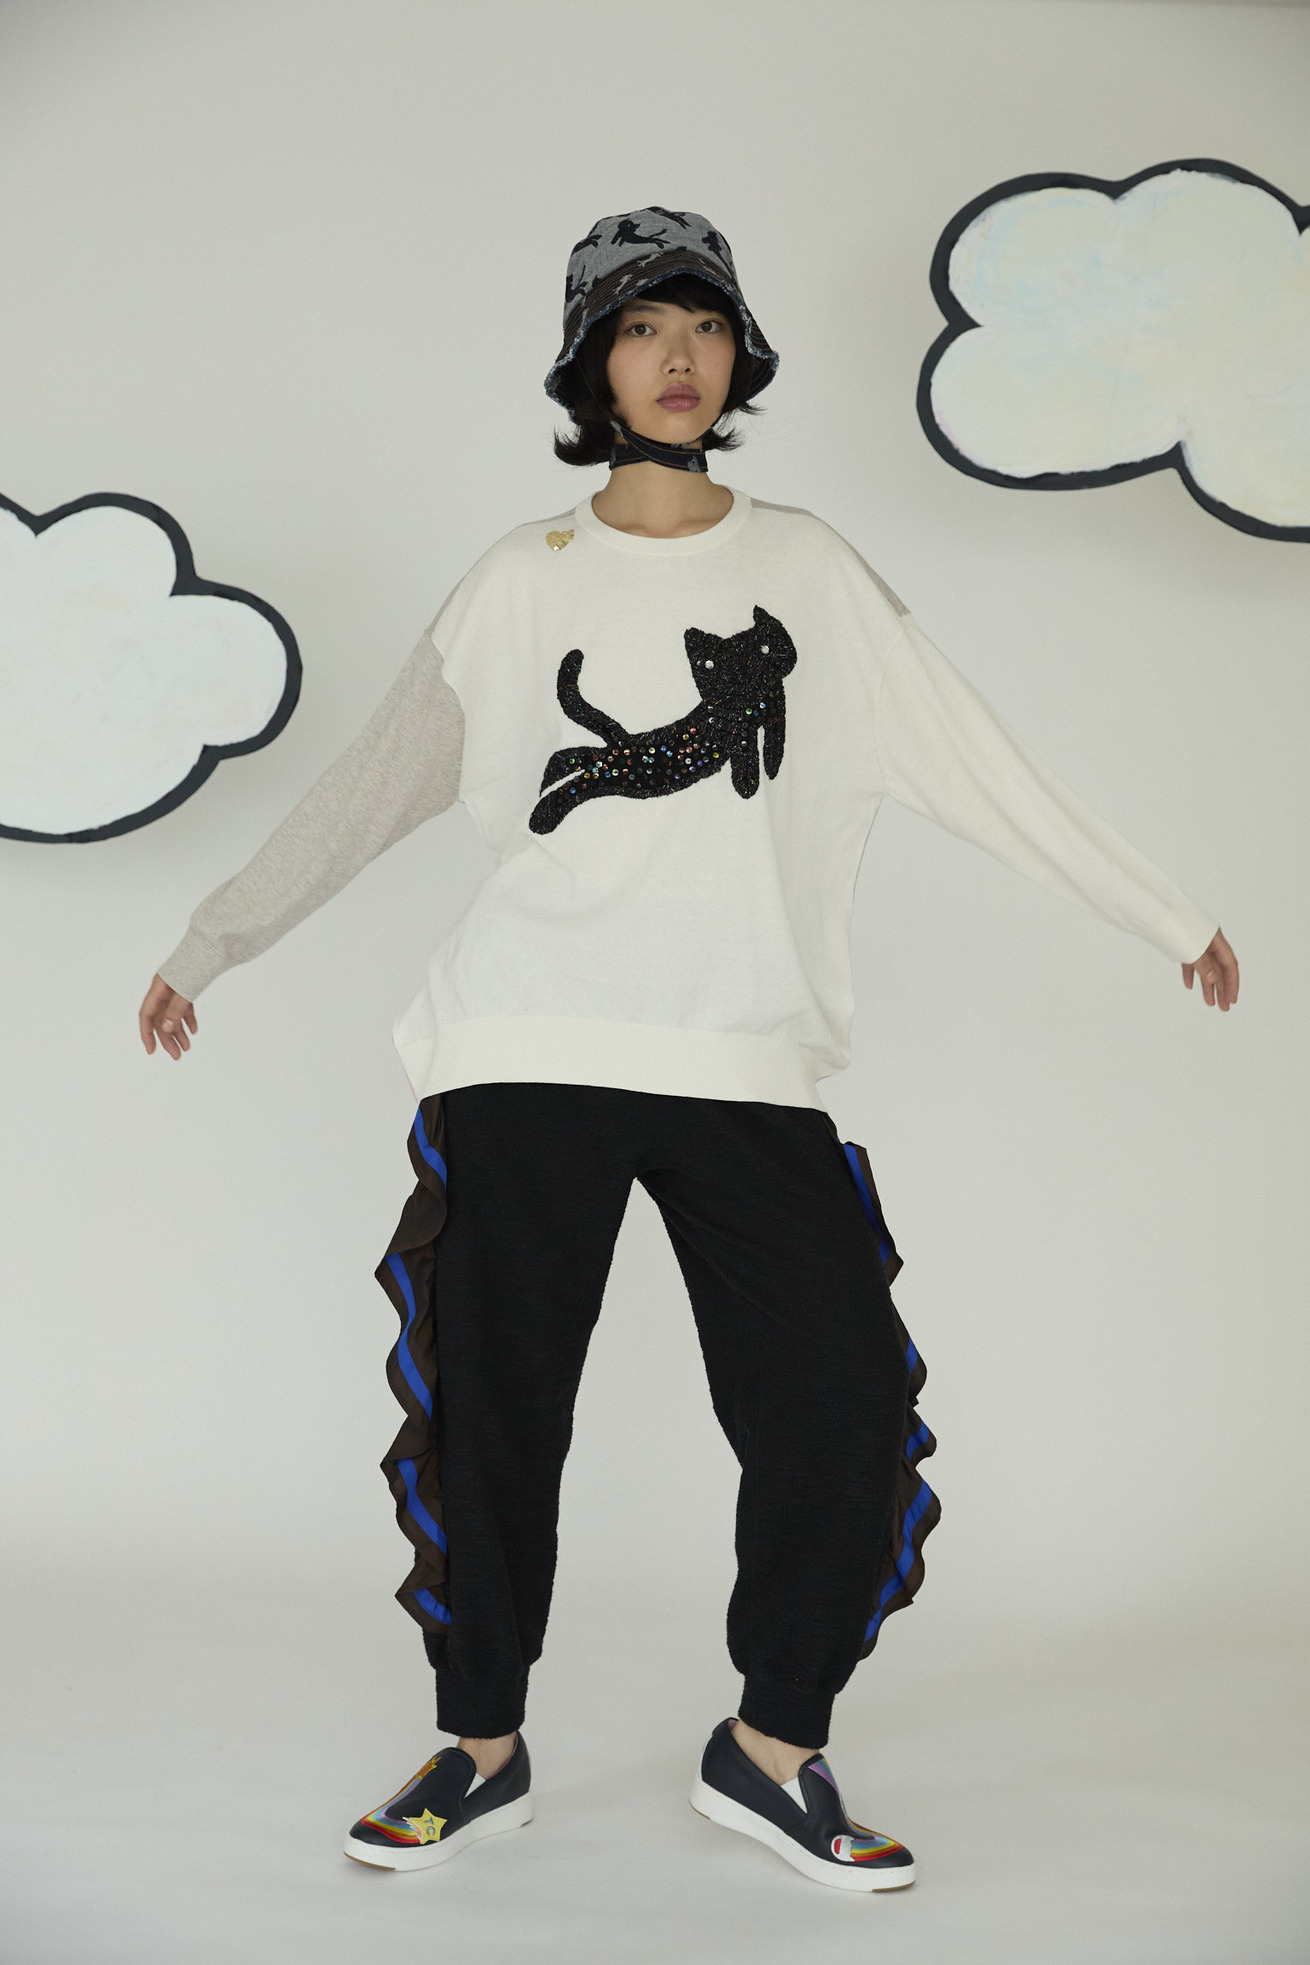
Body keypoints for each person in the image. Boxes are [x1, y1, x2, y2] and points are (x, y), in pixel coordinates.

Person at [139, 207, 1239, 1893]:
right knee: (491, 1410)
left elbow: (968, 750)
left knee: (843, 1405)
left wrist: (1158, 909)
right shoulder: (520, 578)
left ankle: (771, 1743)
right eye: (644, 328)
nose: (678, 358)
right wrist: (213, 939)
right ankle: (479, 1743)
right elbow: (370, 786)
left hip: (739, 1056)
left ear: (738, 360)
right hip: (524, 1040)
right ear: (592, 362)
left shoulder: (807, 570)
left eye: (705, 328)